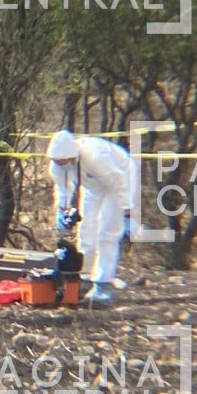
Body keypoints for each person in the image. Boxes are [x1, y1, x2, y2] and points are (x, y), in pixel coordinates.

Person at [46, 130, 134, 304]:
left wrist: (127, 212)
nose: (59, 164)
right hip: (92, 184)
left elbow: (120, 182)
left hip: (119, 179)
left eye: (62, 161)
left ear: (71, 156)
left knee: (106, 233)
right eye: (57, 161)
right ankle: (84, 277)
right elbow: (63, 188)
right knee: (87, 228)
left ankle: (103, 284)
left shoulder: (96, 157)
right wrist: (62, 211)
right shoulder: (57, 164)